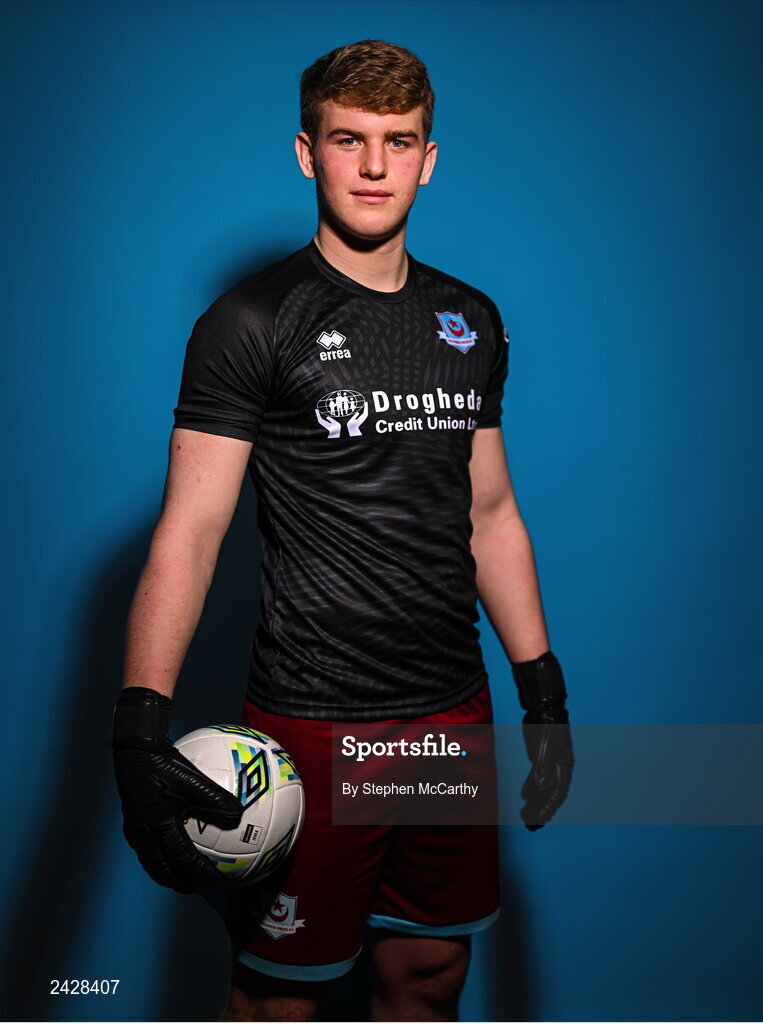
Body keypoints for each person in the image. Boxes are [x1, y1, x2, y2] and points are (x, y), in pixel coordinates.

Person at [111, 39, 574, 1023]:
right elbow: (190, 531)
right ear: (305, 152)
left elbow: (488, 511)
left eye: (396, 142)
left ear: (428, 158)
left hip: (449, 718)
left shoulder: (470, 321)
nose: (373, 166)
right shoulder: (249, 320)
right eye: (347, 139)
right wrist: (138, 725)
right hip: (313, 724)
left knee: (429, 977)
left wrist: (542, 691)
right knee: (279, 997)